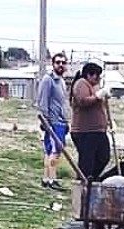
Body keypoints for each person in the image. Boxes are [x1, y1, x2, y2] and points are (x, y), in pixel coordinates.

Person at [69, 62, 112, 180]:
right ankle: (82, 184)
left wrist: (108, 121)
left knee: (104, 156)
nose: (98, 78)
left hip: (98, 131)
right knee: (87, 161)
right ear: (88, 75)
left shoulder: (96, 86)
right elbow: (83, 101)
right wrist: (98, 96)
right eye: (96, 76)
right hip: (84, 132)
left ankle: (91, 179)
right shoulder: (81, 84)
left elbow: (101, 107)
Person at [36, 53, 69, 191]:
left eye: (63, 62)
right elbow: (42, 101)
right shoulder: (48, 80)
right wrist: (45, 122)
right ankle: (52, 179)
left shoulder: (61, 81)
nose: (60, 65)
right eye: (58, 62)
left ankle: (47, 178)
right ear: (53, 64)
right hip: (53, 122)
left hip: (61, 122)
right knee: (55, 151)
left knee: (51, 152)